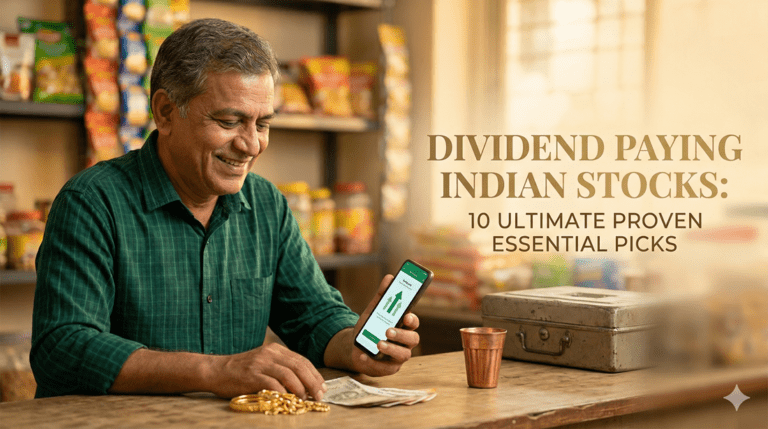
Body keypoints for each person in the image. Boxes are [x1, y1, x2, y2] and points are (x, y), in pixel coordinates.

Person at [30, 18, 419, 401]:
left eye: (262, 124)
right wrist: (216, 371)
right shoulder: (91, 203)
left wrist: (354, 344)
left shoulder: (267, 204)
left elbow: (313, 316)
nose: (251, 145)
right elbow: (62, 349)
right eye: (229, 121)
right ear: (165, 112)